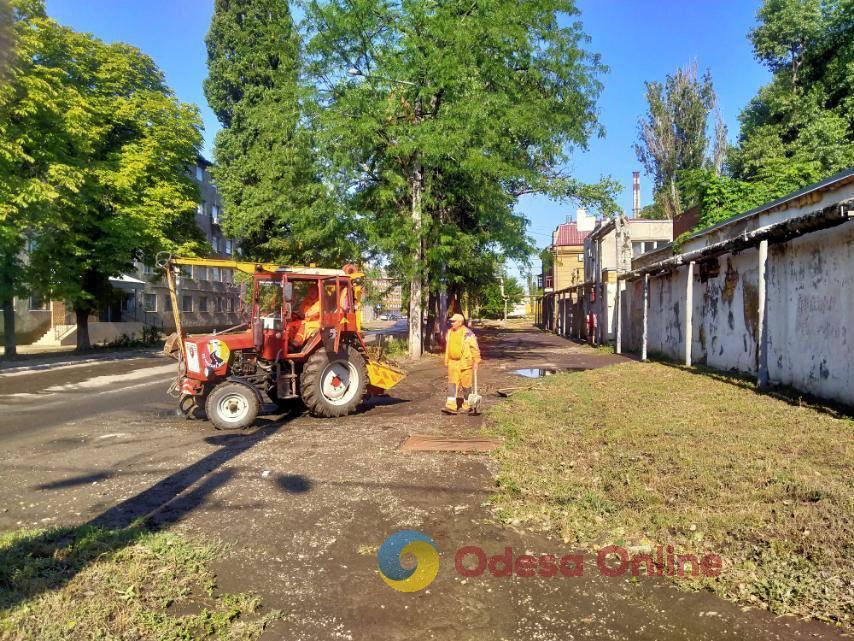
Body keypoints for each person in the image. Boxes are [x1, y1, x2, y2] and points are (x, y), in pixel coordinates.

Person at [442, 313, 481, 414]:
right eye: (451, 321)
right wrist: (446, 360)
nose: (452, 323)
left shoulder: (468, 334)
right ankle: (451, 406)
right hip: (453, 363)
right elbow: (447, 348)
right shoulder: (449, 332)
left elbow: (474, 348)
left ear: (460, 322)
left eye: (454, 321)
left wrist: (476, 361)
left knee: (466, 385)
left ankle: (467, 405)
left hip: (465, 363)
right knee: (452, 385)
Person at [286, 284, 320, 349]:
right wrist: (300, 313)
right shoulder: (307, 299)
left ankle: (296, 343)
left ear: (317, 291)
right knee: (290, 324)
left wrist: (306, 314)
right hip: (307, 320)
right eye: (310, 291)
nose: (311, 292)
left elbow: (315, 311)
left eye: (313, 291)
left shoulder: (320, 300)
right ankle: (288, 342)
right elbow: (301, 309)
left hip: (318, 322)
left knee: (304, 325)